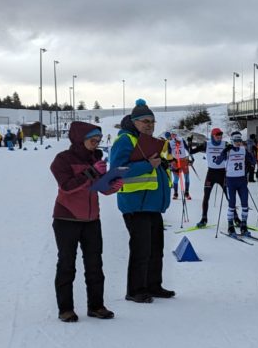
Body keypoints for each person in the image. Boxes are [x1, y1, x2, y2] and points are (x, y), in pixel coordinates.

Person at [50, 122, 121, 322]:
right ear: (81, 138)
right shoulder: (62, 160)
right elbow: (67, 187)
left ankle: (96, 306)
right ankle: (66, 309)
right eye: (93, 140)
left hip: (92, 219)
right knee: (67, 264)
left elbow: (100, 188)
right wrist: (90, 172)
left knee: (95, 264)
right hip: (66, 218)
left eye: (98, 141)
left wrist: (112, 185)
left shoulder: (95, 158)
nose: (96, 144)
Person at [109, 99, 174, 303]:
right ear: (134, 121)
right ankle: (135, 290)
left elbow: (155, 168)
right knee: (141, 249)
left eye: (152, 121)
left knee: (156, 249)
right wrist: (147, 165)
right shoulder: (125, 141)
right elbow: (115, 173)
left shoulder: (150, 142)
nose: (149, 125)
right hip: (135, 205)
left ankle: (153, 285)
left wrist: (162, 164)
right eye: (145, 121)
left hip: (152, 204)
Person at [221, 131, 257, 236]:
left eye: (240, 140)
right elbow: (218, 161)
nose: (238, 142)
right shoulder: (228, 151)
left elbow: (253, 161)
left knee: (245, 204)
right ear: (232, 141)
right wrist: (224, 151)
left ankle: (243, 225)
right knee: (232, 205)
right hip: (231, 181)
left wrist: (252, 154)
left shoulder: (243, 150)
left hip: (242, 181)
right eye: (236, 140)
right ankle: (230, 226)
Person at [197, 127, 227, 227]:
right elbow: (192, 151)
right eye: (217, 135)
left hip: (222, 173)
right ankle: (204, 218)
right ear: (213, 136)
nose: (219, 137)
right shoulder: (207, 144)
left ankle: (235, 217)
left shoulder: (225, 144)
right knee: (206, 197)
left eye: (220, 135)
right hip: (211, 174)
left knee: (229, 196)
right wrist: (186, 144)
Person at [167, 130, 192, 200]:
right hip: (175, 161)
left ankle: (187, 192)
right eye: (172, 135)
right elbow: (169, 153)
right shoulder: (170, 143)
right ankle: (175, 193)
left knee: (187, 177)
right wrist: (171, 161)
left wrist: (191, 158)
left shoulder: (181, 140)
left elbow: (188, 149)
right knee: (176, 179)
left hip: (184, 160)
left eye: (174, 134)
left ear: (177, 135)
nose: (173, 136)